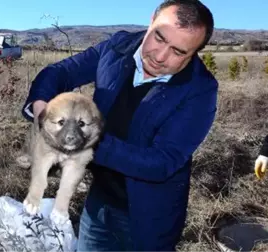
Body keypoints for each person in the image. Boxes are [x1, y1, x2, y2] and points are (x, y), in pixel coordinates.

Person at [21, 0, 217, 251]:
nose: (159, 56)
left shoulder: (201, 91)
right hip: (98, 204)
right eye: (158, 37)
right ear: (151, 21)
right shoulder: (118, 46)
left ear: (194, 53)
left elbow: (162, 162)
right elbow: (61, 72)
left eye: (178, 52)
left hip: (148, 218)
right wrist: (41, 108)